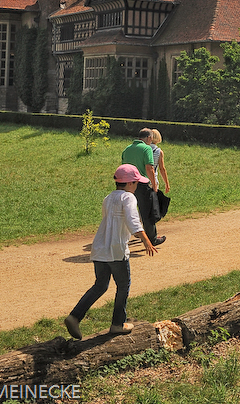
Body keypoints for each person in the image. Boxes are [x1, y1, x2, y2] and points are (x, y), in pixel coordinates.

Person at [63, 164, 157, 340]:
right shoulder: (128, 198)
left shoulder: (108, 197)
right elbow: (133, 221)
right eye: (136, 183)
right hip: (116, 250)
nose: (136, 186)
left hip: (100, 248)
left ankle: (74, 317)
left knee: (100, 285)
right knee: (123, 286)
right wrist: (146, 240)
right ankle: (117, 324)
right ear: (130, 183)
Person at [121, 128, 165, 246]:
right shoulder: (146, 148)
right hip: (142, 184)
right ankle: (152, 238)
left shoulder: (127, 149)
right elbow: (149, 168)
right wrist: (154, 185)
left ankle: (124, 236)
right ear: (149, 138)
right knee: (147, 212)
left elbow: (123, 167)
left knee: (130, 210)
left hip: (127, 183)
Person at [147, 128, 171, 221]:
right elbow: (162, 169)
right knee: (152, 204)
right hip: (153, 179)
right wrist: (167, 183)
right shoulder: (159, 151)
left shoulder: (144, 149)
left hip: (141, 179)